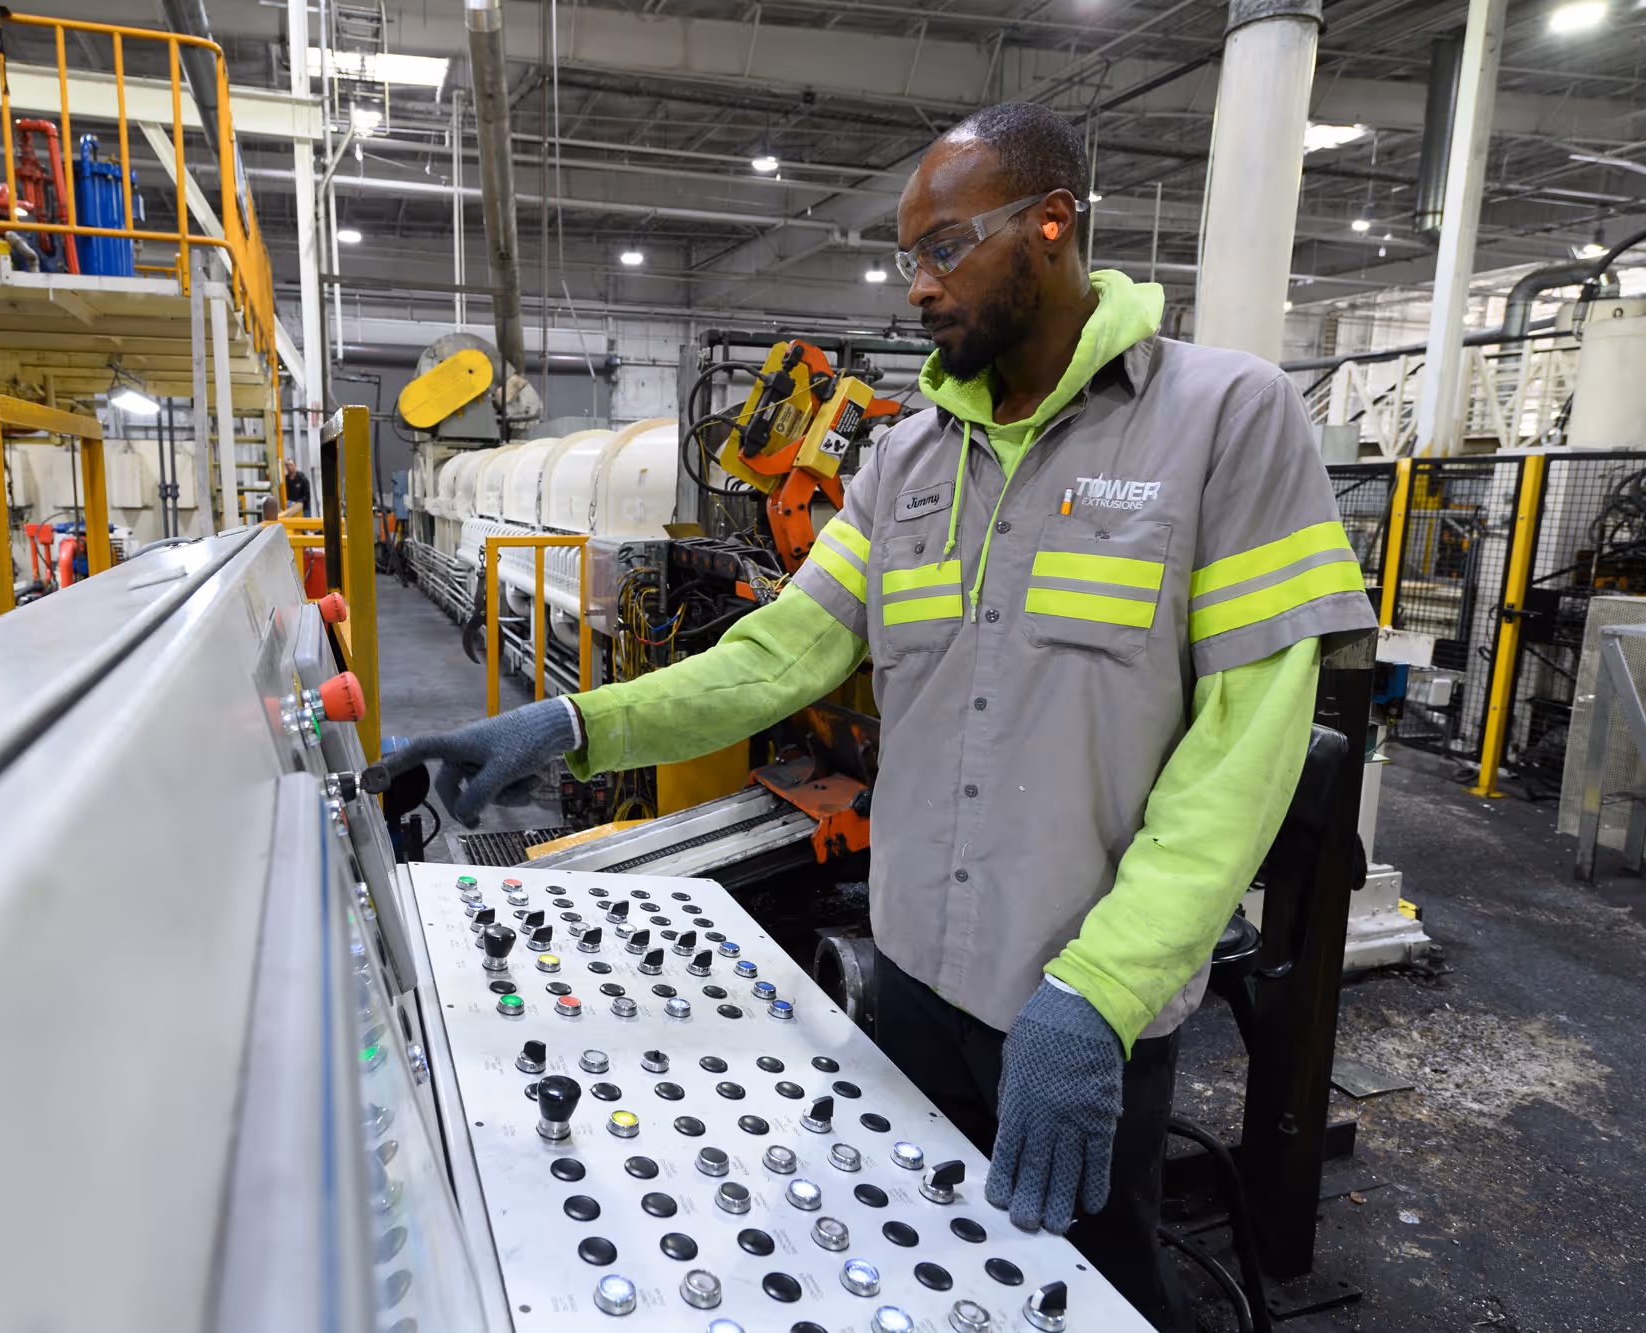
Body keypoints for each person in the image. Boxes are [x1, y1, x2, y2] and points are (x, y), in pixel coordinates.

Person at [372, 102, 1375, 1330]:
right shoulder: (905, 460)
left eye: (942, 249)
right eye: (906, 258)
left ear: (1049, 226)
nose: (915, 289)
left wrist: (1099, 996)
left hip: (1068, 1005)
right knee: (934, 1284)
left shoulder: (1222, 420)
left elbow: (1244, 744)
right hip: (908, 982)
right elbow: (772, 658)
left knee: (1091, 1293)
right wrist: (571, 727)